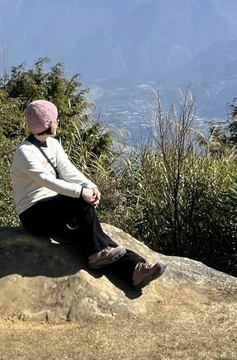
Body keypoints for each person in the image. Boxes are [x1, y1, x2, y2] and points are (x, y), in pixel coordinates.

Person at [11, 99, 166, 291]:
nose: (58, 122)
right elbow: (48, 182)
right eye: (56, 119)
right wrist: (81, 192)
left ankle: (135, 270)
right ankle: (98, 255)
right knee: (89, 226)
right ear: (48, 123)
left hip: (54, 209)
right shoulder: (25, 152)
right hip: (34, 214)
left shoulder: (53, 145)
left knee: (95, 239)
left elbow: (68, 170)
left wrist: (89, 186)